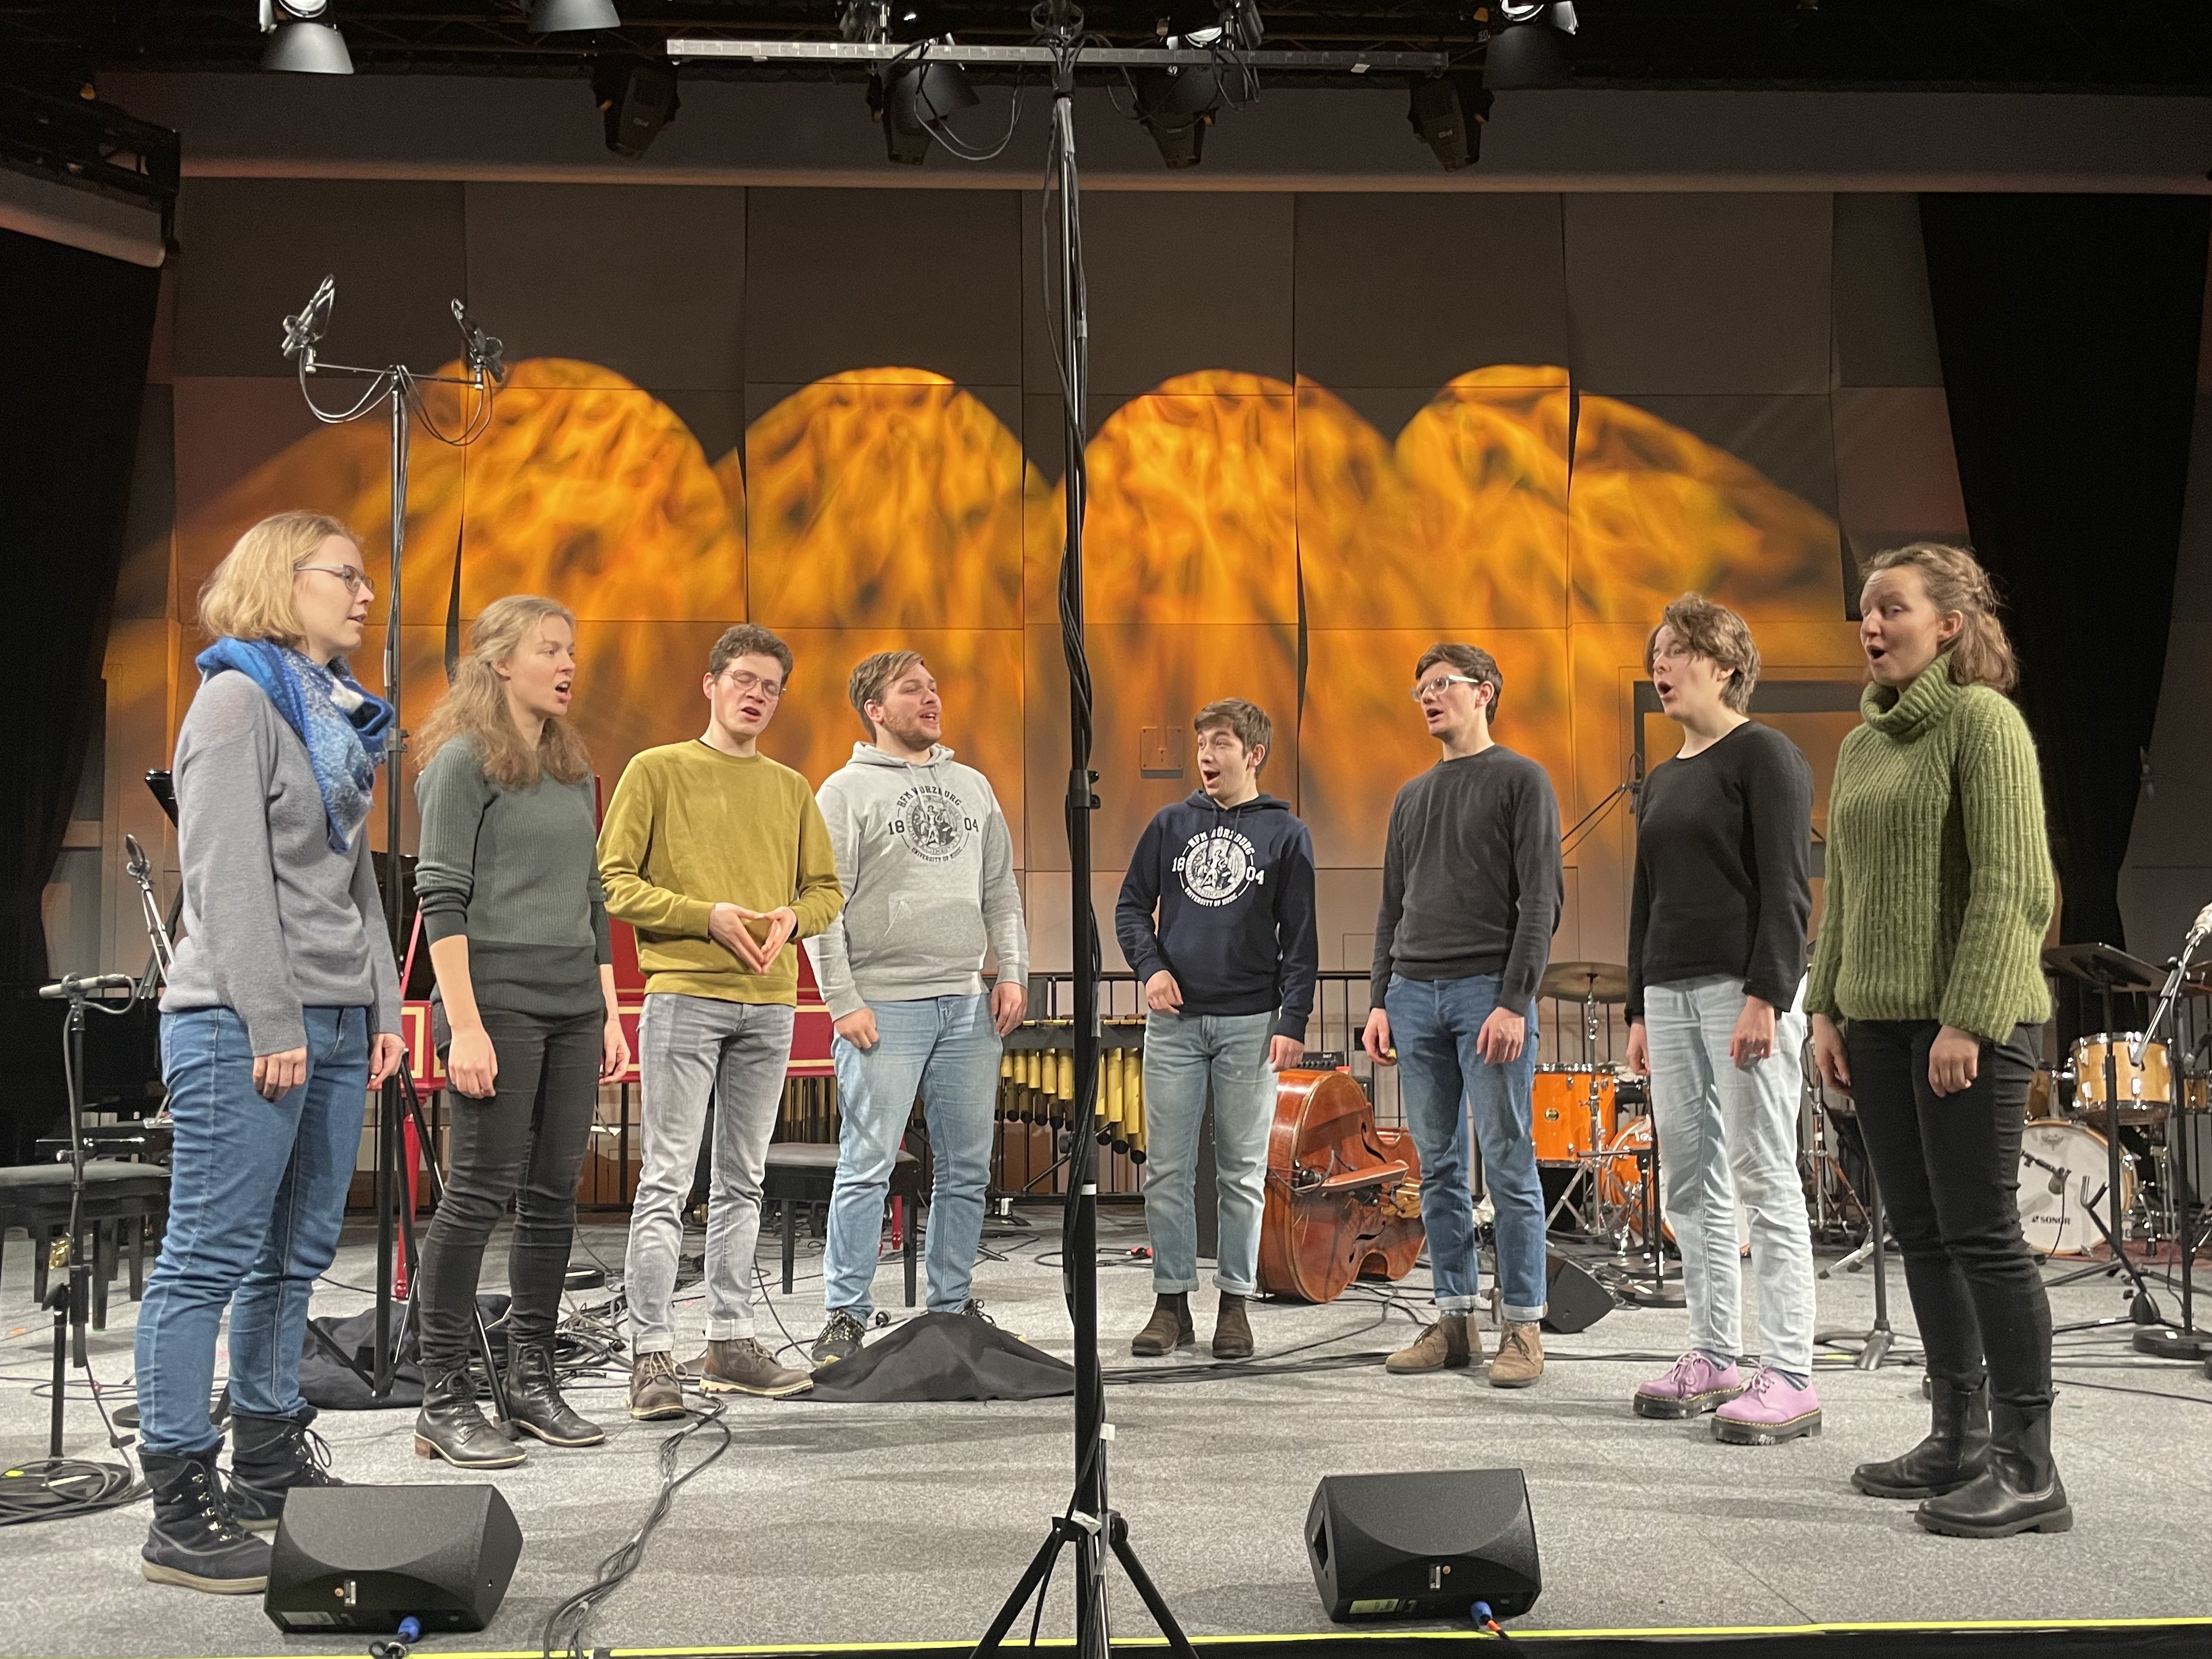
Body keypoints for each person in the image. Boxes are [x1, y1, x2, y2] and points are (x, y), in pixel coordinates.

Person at [134, 510, 406, 1592]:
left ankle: (264, 1454)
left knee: (292, 1257)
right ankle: (176, 1497)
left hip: (337, 1022)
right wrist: (275, 1019)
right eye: (346, 576)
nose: (364, 595)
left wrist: (383, 1008)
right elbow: (227, 876)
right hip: (246, 1020)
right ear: (280, 580)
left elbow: (354, 884)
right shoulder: (236, 699)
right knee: (206, 1252)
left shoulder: (335, 717)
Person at [1808, 543, 2066, 1538]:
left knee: (1981, 1234)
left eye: (1891, 609)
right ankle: (1954, 1435)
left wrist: (1963, 1017)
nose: (1870, 626)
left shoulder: (1981, 723)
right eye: (1864, 613)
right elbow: (1845, 898)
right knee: (1917, 1232)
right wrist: (1825, 1008)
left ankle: (2027, 1465)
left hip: (1965, 1023)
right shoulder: (1862, 743)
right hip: (1872, 1026)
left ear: (1948, 624)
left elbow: (2012, 884)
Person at [408, 596, 630, 1467]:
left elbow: (593, 899)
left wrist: (609, 1013)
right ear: (500, 660)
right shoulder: (462, 763)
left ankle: (532, 1374)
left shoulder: (574, 769)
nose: (568, 664)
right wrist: (463, 1024)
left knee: (553, 1195)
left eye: (572, 650)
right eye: (550, 650)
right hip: (494, 999)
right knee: (476, 1194)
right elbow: (441, 898)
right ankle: (444, 1394)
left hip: (574, 1002)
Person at [600, 623, 843, 1413]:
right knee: (668, 1178)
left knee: (744, 1179)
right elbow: (613, 882)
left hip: (769, 1004)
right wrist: (705, 915)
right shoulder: (657, 769)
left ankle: (729, 1340)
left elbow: (826, 892)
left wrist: (790, 919)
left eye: (770, 686)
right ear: (710, 683)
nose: (756, 695)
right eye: (743, 678)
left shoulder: (790, 786)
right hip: (685, 994)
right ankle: (650, 1352)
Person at [1623, 594, 1819, 1443]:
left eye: (1676, 651)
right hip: (1668, 993)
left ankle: (1791, 1371)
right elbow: (1645, 900)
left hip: (1743, 988)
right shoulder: (1663, 775)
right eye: (1656, 653)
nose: (1660, 666)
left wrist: (1766, 994)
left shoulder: (1764, 754)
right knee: (1689, 1182)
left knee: (1763, 1174)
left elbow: (1787, 886)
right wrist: (1636, 1004)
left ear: (1725, 662)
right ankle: (1712, 1352)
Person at [805, 651, 1029, 1366]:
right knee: (866, 1164)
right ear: (875, 707)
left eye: (933, 686)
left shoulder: (973, 785)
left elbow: (1001, 889)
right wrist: (842, 1001)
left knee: (966, 1168)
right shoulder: (842, 792)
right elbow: (821, 906)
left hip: (967, 1003)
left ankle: (951, 1305)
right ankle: (844, 1313)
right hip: (882, 1006)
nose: (931, 698)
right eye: (913, 689)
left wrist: (1012, 971)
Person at [1361, 645, 1561, 1388]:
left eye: (1439, 685)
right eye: (1418, 689)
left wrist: (1514, 999)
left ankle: (1523, 1327)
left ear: (1484, 692)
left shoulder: (1521, 779)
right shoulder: (1411, 796)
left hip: (1487, 992)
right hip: (1415, 993)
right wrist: (1380, 999)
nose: (1426, 698)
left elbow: (1540, 899)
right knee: (1438, 1167)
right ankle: (1453, 1322)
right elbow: (1390, 906)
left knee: (1507, 1162)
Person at [1116, 698, 1318, 1359]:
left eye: (1221, 743)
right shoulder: (1170, 824)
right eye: (1201, 743)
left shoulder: (1285, 834)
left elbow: (1302, 938)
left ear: (1253, 754)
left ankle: (1235, 1302)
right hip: (1174, 1024)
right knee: (1167, 1171)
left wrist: (1292, 1017)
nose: (1206, 754)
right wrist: (1150, 970)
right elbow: (1128, 908)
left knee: (1241, 1170)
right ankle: (1171, 1303)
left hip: (1250, 1024)